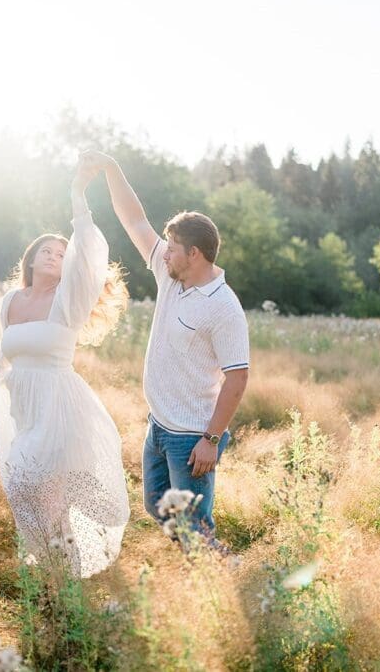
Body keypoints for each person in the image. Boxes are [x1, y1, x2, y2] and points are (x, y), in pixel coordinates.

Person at [79, 150, 250, 551]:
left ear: (195, 254)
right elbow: (134, 219)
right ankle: (203, 569)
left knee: (193, 527)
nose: (164, 251)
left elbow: (238, 378)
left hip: (190, 437)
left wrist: (211, 438)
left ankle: (222, 583)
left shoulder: (223, 307)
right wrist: (111, 168)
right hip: (159, 426)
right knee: (158, 508)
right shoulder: (171, 277)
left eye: (173, 247)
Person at [0, 157, 130, 578]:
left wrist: (77, 196)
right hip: (24, 407)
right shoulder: (10, 302)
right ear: (30, 260)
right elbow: (6, 348)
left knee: (39, 487)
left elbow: (87, 248)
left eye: (61, 253)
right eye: (46, 251)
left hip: (60, 407)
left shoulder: (68, 301)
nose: (54, 255)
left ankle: (60, 573)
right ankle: (58, 571)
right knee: (27, 487)